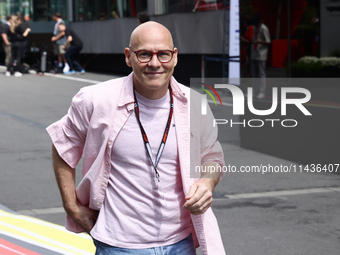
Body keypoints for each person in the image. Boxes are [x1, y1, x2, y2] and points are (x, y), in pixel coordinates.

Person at [47, 21, 225, 255]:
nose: (154, 63)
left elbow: (212, 156)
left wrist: (207, 182)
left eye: (163, 54)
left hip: (181, 242)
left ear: (174, 57)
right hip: (118, 245)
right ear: (128, 56)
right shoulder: (96, 99)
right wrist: (70, 205)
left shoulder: (194, 103)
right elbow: (62, 146)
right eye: (144, 54)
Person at [250, 15, 270, 99]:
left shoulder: (264, 28)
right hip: (254, 52)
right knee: (253, 74)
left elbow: (268, 41)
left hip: (261, 53)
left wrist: (259, 41)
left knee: (261, 73)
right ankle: (254, 91)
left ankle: (262, 92)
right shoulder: (255, 28)